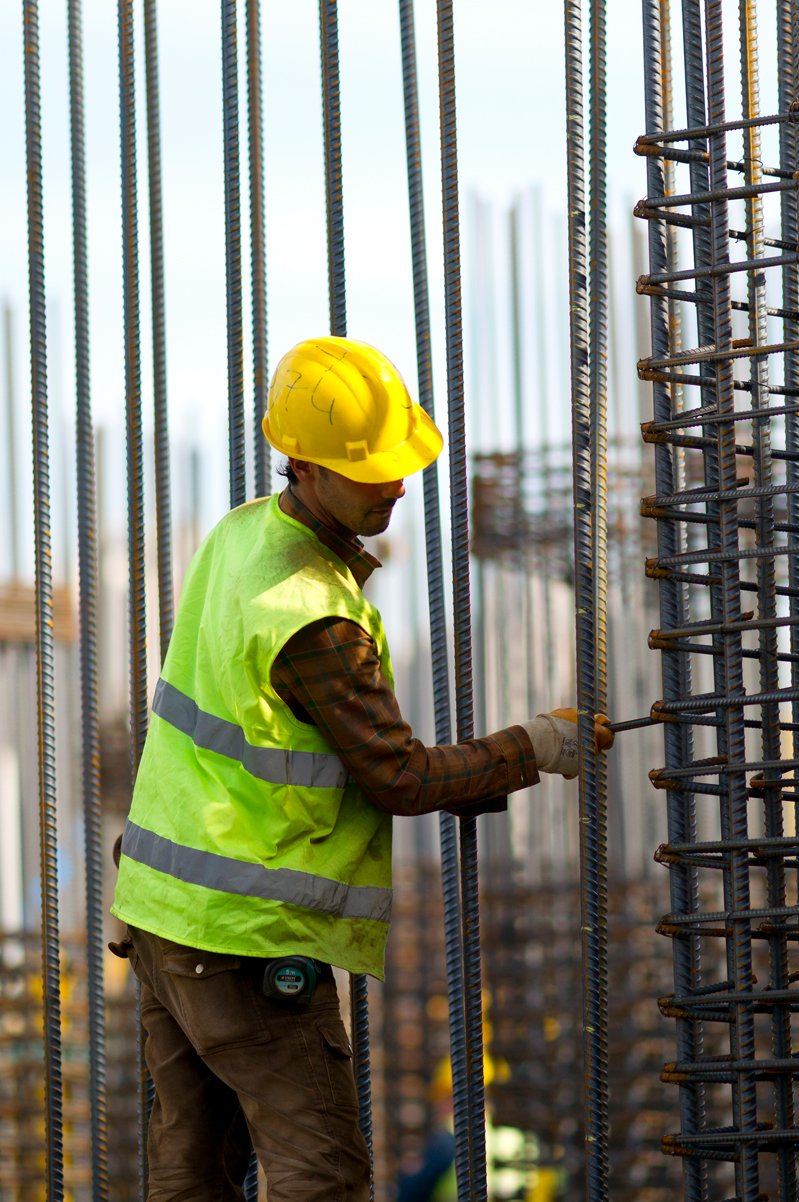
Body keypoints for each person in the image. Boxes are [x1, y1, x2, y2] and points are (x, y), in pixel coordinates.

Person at [109, 336, 613, 1202]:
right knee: (324, 1180)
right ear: (304, 466)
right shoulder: (314, 617)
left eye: (398, 466)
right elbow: (399, 778)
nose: (397, 486)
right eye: (371, 471)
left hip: (164, 917)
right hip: (245, 941)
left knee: (191, 1179)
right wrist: (538, 746)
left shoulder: (241, 535)